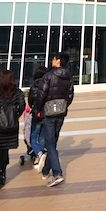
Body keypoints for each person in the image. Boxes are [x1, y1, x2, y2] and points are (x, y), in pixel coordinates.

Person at [29, 52, 74, 187]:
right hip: (61, 112)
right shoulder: (68, 76)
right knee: (52, 142)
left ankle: (57, 173)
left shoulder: (48, 76)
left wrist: (37, 109)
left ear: (58, 61)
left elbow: (41, 94)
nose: (52, 61)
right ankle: (45, 170)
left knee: (50, 143)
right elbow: (71, 95)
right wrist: (63, 105)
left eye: (53, 59)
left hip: (48, 113)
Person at [28, 65, 47, 169]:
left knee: (33, 136)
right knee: (42, 136)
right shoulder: (48, 85)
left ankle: (39, 154)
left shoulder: (33, 86)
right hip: (46, 114)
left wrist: (34, 108)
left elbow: (30, 101)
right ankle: (41, 153)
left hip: (36, 114)